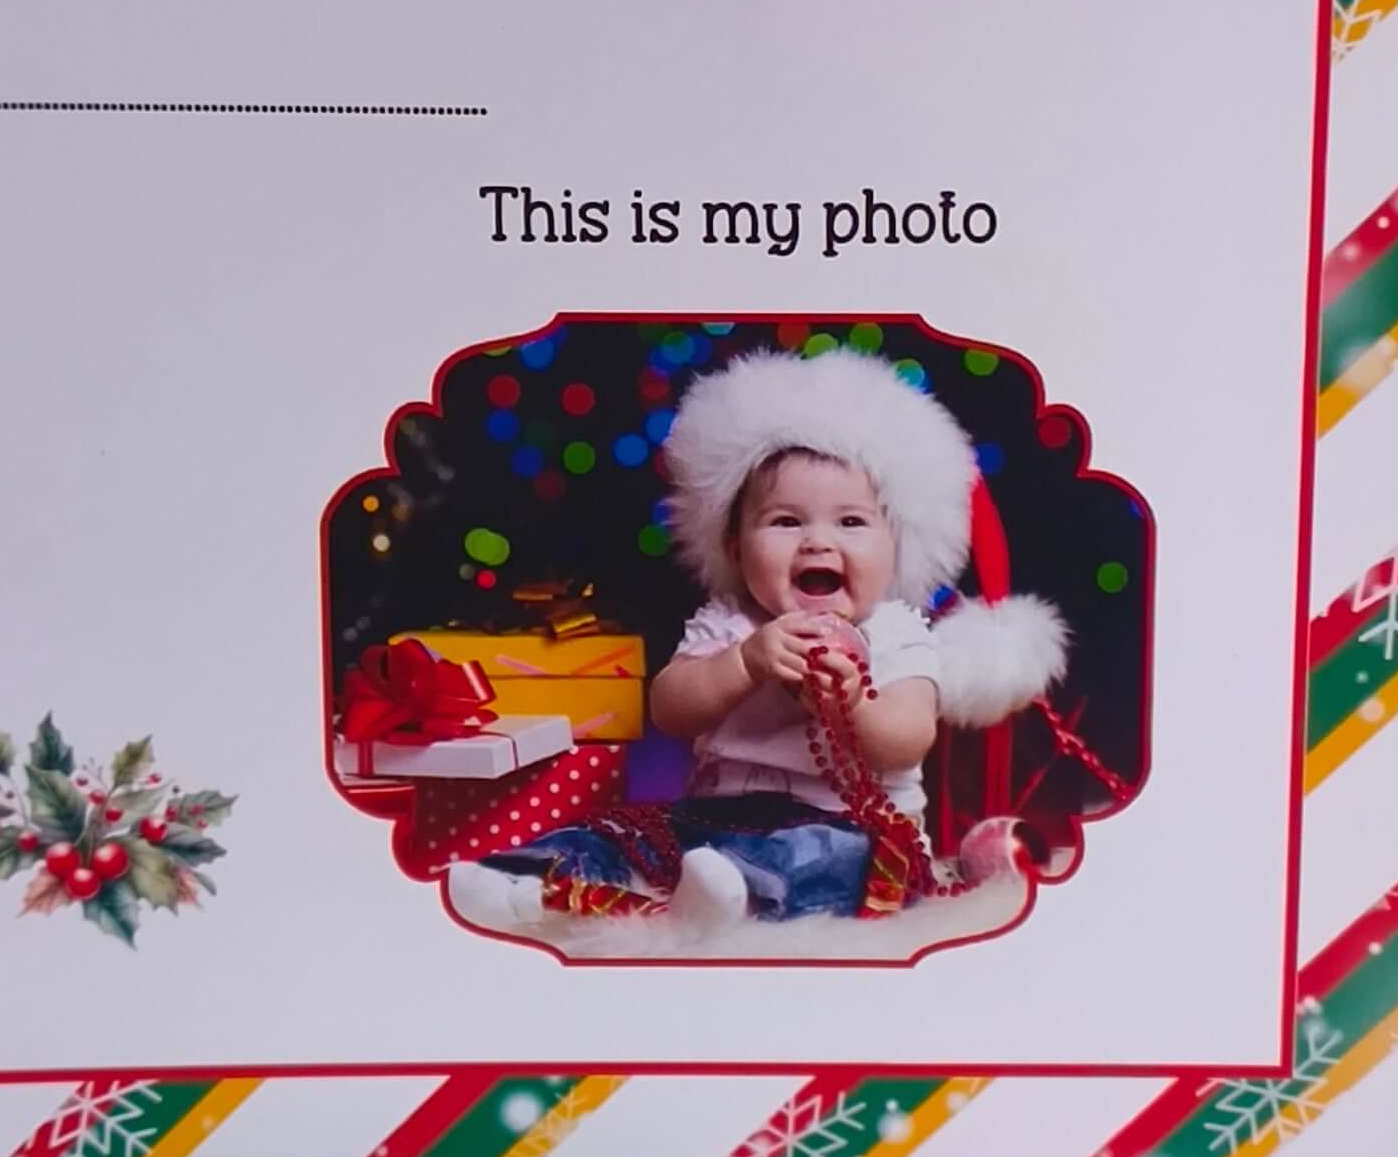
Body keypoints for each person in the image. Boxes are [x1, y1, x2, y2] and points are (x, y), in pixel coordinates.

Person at [444, 347, 1069, 935]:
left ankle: (728, 900)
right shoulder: (730, 623)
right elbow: (670, 708)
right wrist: (743, 663)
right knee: (619, 830)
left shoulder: (896, 630)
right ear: (736, 547)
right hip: (714, 825)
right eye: (786, 521)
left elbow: (909, 738)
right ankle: (522, 879)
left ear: (895, 545)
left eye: (851, 522)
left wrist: (855, 700)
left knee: (826, 860)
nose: (818, 541)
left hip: (852, 827)